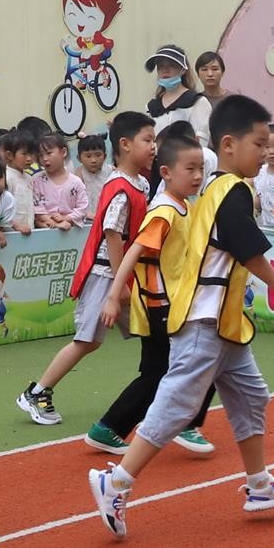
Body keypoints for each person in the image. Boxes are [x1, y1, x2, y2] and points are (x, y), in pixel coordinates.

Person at [87, 93, 274, 538]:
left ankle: (259, 485)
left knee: (251, 396)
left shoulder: (213, 190)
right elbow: (247, 249)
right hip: (204, 321)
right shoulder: (230, 191)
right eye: (258, 144)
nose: (265, 152)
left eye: (268, 144)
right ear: (228, 144)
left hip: (224, 324)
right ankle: (116, 481)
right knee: (178, 402)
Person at [21, 110, 156, 427]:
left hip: (120, 274)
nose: (153, 146)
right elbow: (112, 233)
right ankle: (37, 392)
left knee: (153, 331)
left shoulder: (139, 184)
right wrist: (119, 285)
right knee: (87, 340)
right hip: (106, 274)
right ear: (125, 145)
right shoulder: (121, 187)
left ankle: (157, 391)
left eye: (154, 140)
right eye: (147, 140)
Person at [93, 128, 210, 457]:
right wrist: (114, 295)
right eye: (190, 169)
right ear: (166, 172)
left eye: (201, 169)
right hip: (160, 305)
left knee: (157, 371)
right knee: (199, 359)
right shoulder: (164, 212)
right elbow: (133, 252)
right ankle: (186, 423)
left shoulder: (184, 207)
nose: (197, 176)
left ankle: (109, 427)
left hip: (169, 302)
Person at [30, 130, 91, 230]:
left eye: (49, 153)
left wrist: (66, 218)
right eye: (40, 155)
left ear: (63, 152)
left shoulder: (76, 182)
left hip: (72, 232)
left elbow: (82, 207)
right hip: (44, 231)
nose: (44, 158)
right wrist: (53, 222)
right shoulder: (36, 180)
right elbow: (37, 208)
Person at [146, 44, 205, 141]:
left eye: (171, 65)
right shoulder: (151, 108)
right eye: (160, 66)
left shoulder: (198, 102)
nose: (165, 70)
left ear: (183, 69)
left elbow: (201, 142)